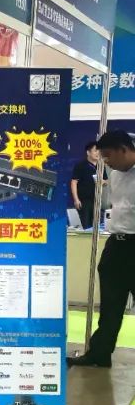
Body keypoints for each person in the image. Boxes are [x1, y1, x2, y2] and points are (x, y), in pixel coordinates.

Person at [68, 130, 135, 368]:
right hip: (116, 245)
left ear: (124, 150)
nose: (105, 162)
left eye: (107, 156)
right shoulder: (115, 175)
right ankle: (99, 354)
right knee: (109, 306)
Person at [70, 141, 103, 229]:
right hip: (84, 201)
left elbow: (106, 181)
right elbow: (74, 182)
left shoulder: (101, 166)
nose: (98, 153)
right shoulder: (81, 166)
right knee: (86, 226)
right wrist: (76, 199)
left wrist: (102, 182)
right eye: (95, 150)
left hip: (97, 200)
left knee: (97, 226)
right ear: (88, 152)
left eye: (99, 151)